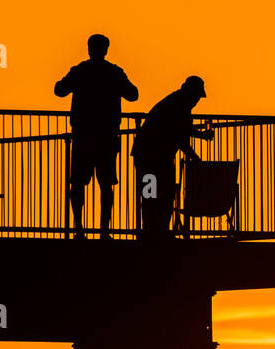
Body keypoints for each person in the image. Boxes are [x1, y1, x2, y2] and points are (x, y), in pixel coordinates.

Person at [54, 34, 138, 241]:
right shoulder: (114, 72)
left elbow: (59, 90)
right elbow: (133, 94)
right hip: (107, 136)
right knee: (106, 183)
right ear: (106, 49)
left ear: (89, 49)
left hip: (83, 136)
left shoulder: (80, 71)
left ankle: (79, 227)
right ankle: (104, 230)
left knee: (78, 183)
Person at [131, 75, 214, 236]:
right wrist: (195, 155)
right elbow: (180, 133)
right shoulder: (180, 105)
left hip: (152, 157)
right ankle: (154, 231)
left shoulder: (178, 102)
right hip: (151, 158)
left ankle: (155, 230)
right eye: (197, 97)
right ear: (192, 93)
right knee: (156, 194)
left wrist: (200, 138)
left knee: (158, 194)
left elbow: (182, 130)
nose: (197, 101)